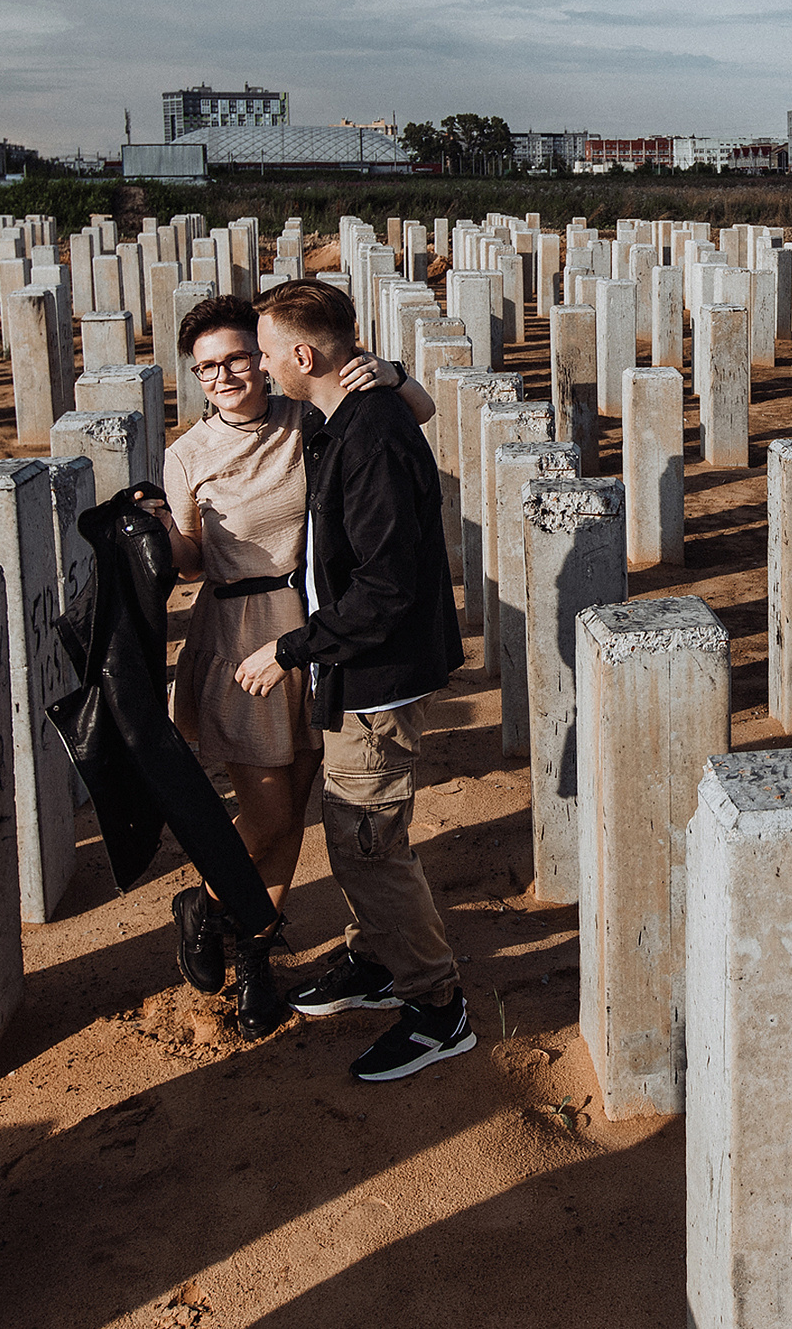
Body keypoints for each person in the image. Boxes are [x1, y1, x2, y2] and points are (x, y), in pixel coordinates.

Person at [156, 294, 433, 1039]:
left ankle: (254, 956)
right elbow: (189, 561)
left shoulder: (306, 417)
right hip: (243, 636)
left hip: (314, 628)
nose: (223, 375)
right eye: (206, 366)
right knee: (272, 811)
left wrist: (391, 370)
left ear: (270, 356)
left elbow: (419, 410)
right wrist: (156, 536)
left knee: (297, 814)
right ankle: (209, 905)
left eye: (238, 357)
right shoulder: (186, 454)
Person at [235, 278, 473, 1082]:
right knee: (362, 835)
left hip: (374, 676)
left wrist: (292, 649)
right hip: (358, 669)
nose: (262, 369)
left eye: (268, 354)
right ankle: (376, 961)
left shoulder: (368, 434)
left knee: (369, 846)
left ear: (304, 355)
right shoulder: (345, 413)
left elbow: (385, 587)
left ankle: (439, 1008)